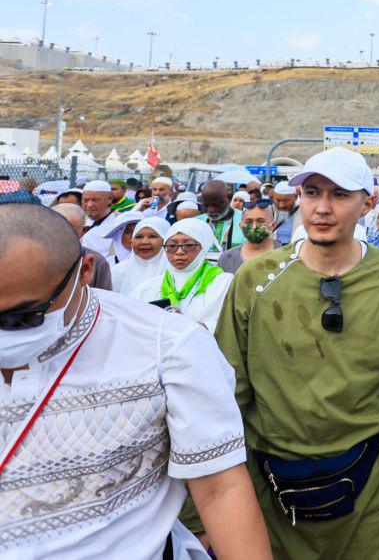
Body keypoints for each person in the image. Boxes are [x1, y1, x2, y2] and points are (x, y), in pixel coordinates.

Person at [0, 202, 272, 559]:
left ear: (85, 271)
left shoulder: (167, 345)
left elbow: (220, 488)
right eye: (173, 245)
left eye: (22, 317)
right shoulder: (145, 288)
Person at [214, 147, 379, 558]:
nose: (322, 208)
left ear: (368, 203)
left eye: (339, 195)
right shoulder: (255, 279)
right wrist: (214, 489)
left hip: (370, 475)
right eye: (312, 193)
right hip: (271, 475)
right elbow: (226, 389)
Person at [130, 219, 233, 331]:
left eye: (188, 245)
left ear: (203, 247)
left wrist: (194, 327)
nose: (179, 252)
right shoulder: (148, 288)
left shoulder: (223, 283)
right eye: (172, 246)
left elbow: (232, 326)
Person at [51, 202, 114, 290]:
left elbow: (104, 296)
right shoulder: (36, 257)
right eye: (55, 227)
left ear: (83, 231)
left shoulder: (97, 262)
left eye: (68, 228)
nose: (61, 233)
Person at [112, 215, 170, 296]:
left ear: (166, 240)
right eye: (139, 237)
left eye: (152, 236)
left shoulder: (175, 271)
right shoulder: (119, 271)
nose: (144, 242)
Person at [217, 200, 280, 274]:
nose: (254, 226)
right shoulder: (226, 259)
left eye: (260, 221)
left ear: (273, 225)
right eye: (248, 222)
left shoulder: (286, 254)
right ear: (241, 226)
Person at [199, 179, 244, 261]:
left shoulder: (245, 220)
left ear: (229, 199)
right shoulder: (197, 222)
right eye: (206, 205)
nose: (211, 210)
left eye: (216, 205)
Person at [80, 179, 121, 258]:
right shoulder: (79, 220)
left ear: (109, 199)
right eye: (85, 200)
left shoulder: (120, 222)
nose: (89, 205)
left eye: (95, 200)